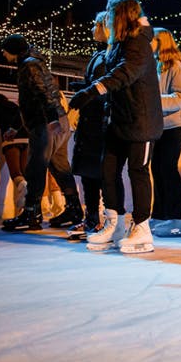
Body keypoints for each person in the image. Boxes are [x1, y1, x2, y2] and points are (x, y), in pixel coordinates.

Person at [70, 0, 163, 254]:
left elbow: (124, 73)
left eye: (110, 13)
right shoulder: (118, 43)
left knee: (137, 171)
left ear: (120, 15)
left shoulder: (139, 41)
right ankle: (115, 223)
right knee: (108, 171)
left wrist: (90, 91)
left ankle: (142, 228)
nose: (107, 18)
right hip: (118, 120)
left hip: (141, 121)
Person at [0, 34, 81, 232]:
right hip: (57, 119)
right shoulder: (34, 62)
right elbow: (31, 100)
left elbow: (43, 93)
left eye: (5, 50)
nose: (3, 54)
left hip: (47, 122)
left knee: (36, 166)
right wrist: (16, 126)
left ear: (13, 50)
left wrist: (51, 120)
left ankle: (32, 212)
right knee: (59, 166)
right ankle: (74, 209)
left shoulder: (29, 65)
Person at [67, 12, 112, 237]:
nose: (92, 29)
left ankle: (103, 220)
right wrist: (80, 89)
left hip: (98, 124)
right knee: (88, 174)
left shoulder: (109, 56)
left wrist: (84, 95)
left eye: (96, 25)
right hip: (89, 123)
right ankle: (91, 218)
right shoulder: (99, 54)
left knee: (99, 174)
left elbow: (103, 89)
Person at [150, 27, 181, 237]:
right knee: (157, 168)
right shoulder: (158, 66)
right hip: (162, 125)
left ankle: (178, 218)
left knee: (167, 168)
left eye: (152, 40)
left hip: (177, 124)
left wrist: (154, 100)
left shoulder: (176, 66)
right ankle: (160, 215)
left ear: (162, 42)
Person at [0, 93, 30, 215]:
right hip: (26, 139)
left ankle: (23, 187)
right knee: (25, 173)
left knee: (15, 173)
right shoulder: (14, 106)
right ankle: (25, 208)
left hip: (10, 140)